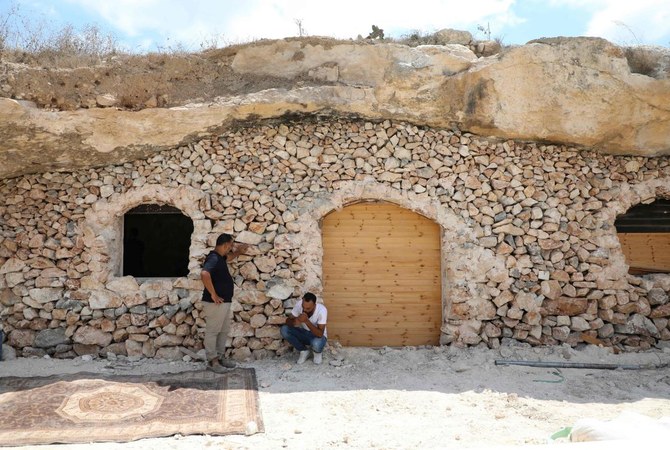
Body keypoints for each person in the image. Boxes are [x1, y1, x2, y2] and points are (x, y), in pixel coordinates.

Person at [201, 233, 249, 373]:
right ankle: (212, 361)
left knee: (223, 331)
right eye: (231, 245)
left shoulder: (220, 258)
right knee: (213, 331)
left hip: (224, 302)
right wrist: (213, 294)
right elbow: (204, 274)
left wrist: (239, 251)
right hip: (215, 303)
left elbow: (229, 257)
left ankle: (220, 358)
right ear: (225, 244)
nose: (231, 248)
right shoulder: (213, 258)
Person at [280, 292, 328, 365]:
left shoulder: (322, 310)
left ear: (314, 305)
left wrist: (306, 321)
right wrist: (294, 322)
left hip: (317, 337)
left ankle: (317, 353)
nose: (305, 310)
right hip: (304, 333)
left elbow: (320, 334)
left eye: (308, 308)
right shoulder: (299, 305)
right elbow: (288, 321)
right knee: (284, 329)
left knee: (316, 343)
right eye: (303, 307)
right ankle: (304, 351)